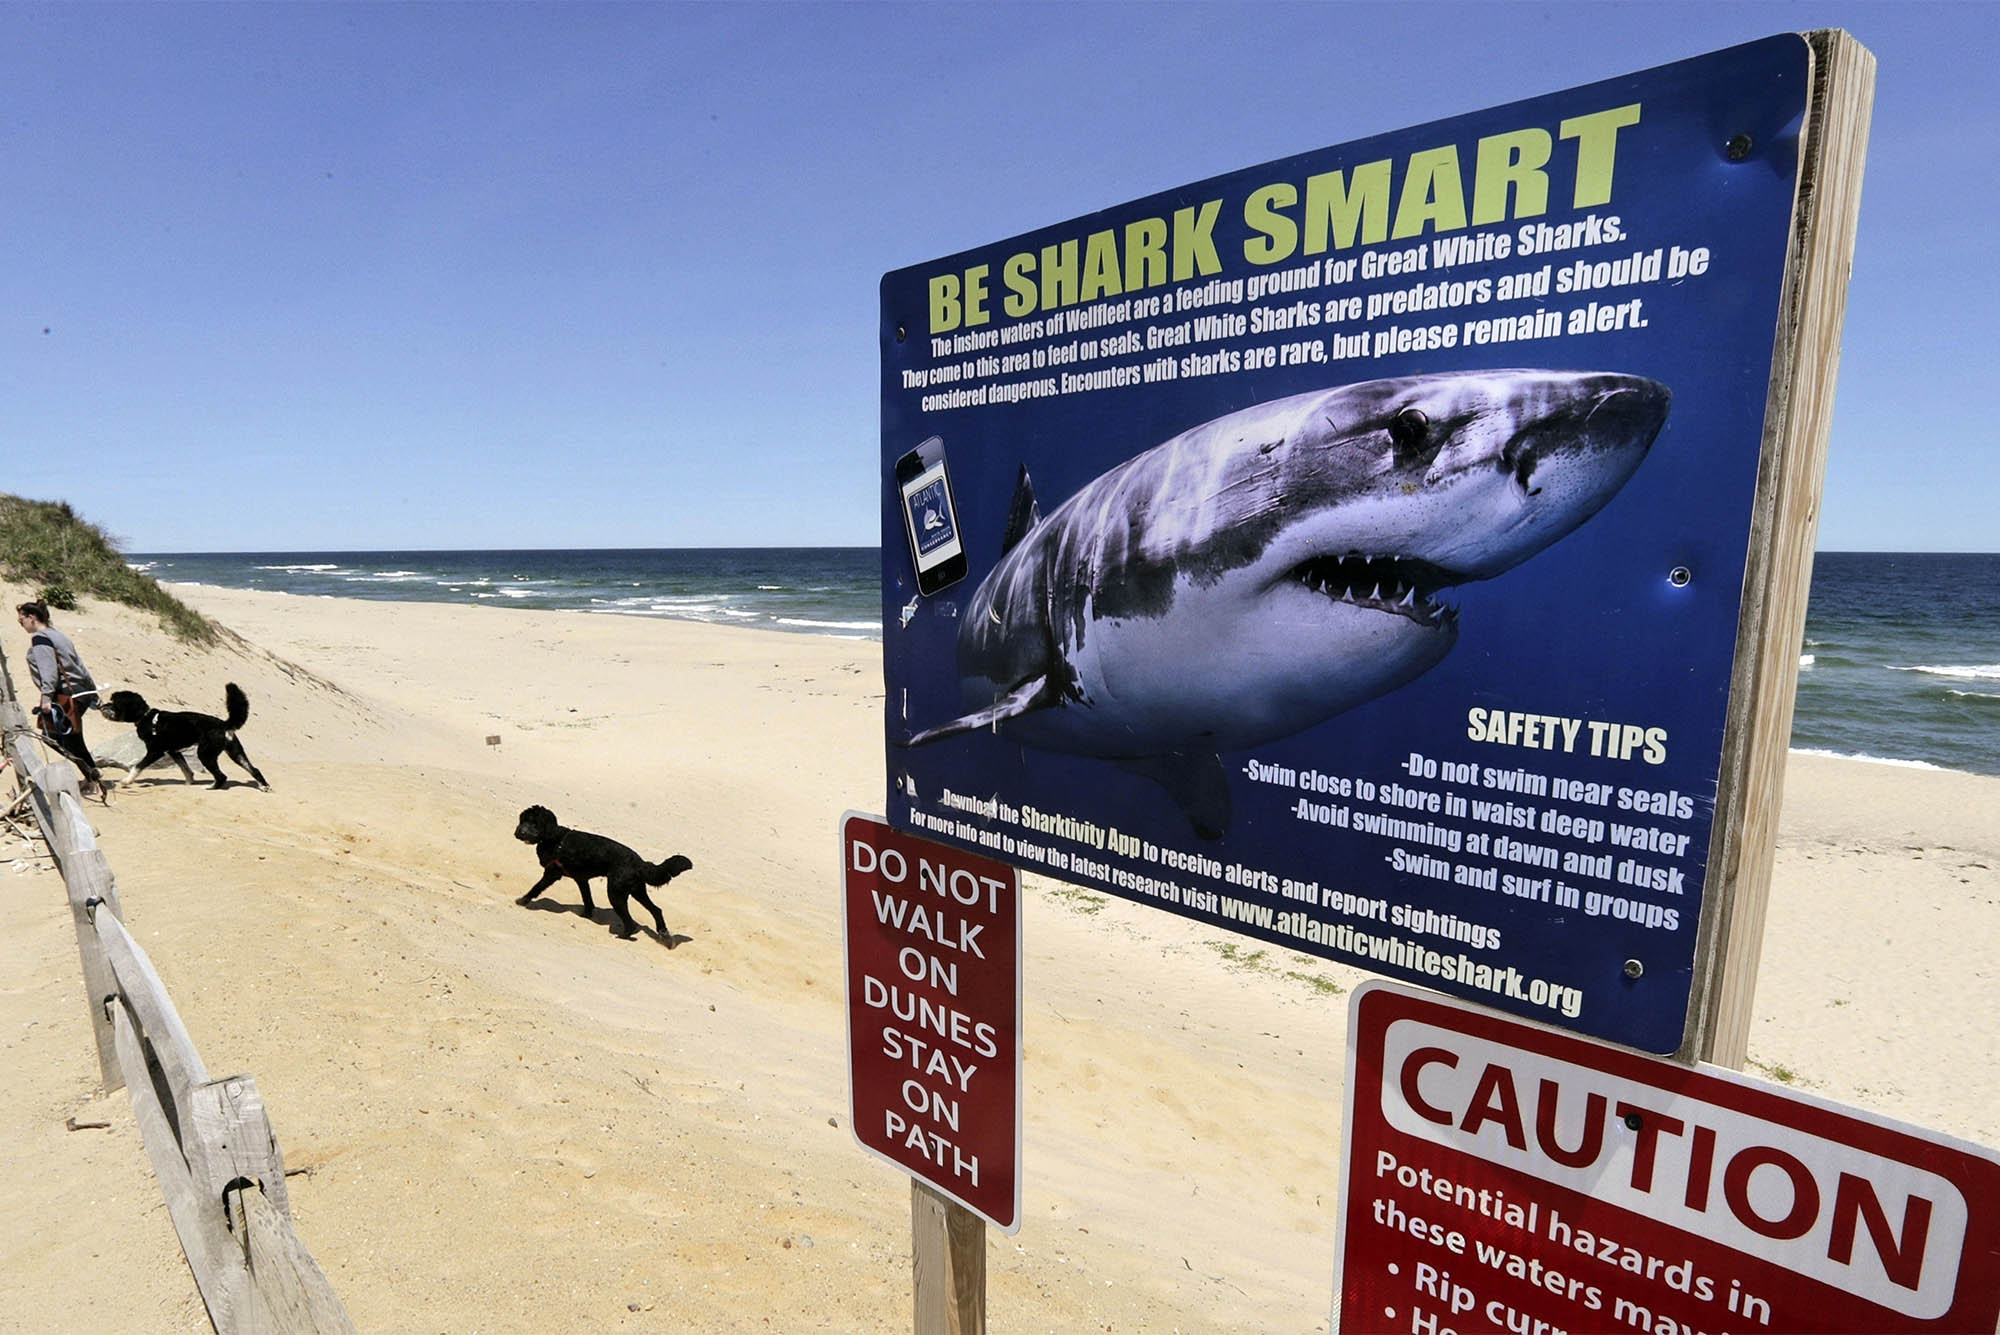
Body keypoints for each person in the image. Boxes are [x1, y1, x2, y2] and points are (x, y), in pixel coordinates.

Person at [15, 600, 105, 797]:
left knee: (63, 738)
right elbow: (79, 665)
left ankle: (94, 781)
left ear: (32, 617)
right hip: (79, 691)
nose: (20, 624)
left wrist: (46, 698)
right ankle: (91, 776)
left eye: (21, 620)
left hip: (65, 694)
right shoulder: (58, 635)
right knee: (67, 738)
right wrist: (92, 692)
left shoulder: (41, 638)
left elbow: (49, 672)